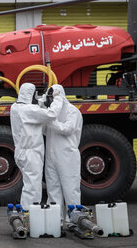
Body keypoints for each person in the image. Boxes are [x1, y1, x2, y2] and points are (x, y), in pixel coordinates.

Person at [9, 83, 64, 211]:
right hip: (31, 153)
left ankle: (25, 212)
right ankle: (29, 215)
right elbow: (51, 114)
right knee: (33, 186)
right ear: (30, 94)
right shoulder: (29, 110)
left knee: (28, 184)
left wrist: (41, 102)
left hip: (21, 151)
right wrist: (57, 99)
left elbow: (34, 112)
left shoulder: (15, 107)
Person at [44, 84, 83, 220]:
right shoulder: (51, 113)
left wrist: (49, 120)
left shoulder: (72, 111)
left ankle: (74, 219)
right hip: (51, 155)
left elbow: (67, 129)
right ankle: (55, 219)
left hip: (68, 156)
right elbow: (44, 131)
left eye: (52, 96)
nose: (51, 99)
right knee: (53, 188)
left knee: (70, 188)